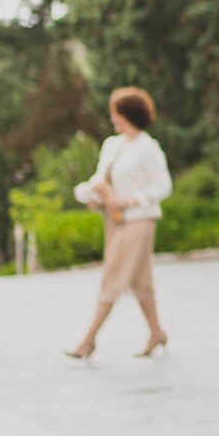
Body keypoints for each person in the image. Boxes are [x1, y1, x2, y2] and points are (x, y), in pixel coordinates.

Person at [67, 87, 172, 361]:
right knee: (141, 281)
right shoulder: (112, 145)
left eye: (117, 113)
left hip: (139, 220)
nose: (113, 118)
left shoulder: (148, 148)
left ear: (129, 114)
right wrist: (90, 195)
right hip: (113, 220)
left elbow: (163, 186)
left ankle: (88, 340)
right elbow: (100, 179)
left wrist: (132, 200)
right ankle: (157, 333)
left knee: (112, 278)